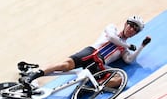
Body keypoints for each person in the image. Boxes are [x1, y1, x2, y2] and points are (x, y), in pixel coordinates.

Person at [20, 15, 151, 86]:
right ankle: (33, 76)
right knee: (64, 65)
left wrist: (141, 46)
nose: (132, 29)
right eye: (131, 25)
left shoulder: (124, 47)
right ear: (126, 23)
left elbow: (129, 60)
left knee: (121, 79)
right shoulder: (112, 29)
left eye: (135, 29)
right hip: (91, 53)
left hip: (100, 63)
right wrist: (128, 46)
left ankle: (90, 85)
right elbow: (111, 38)